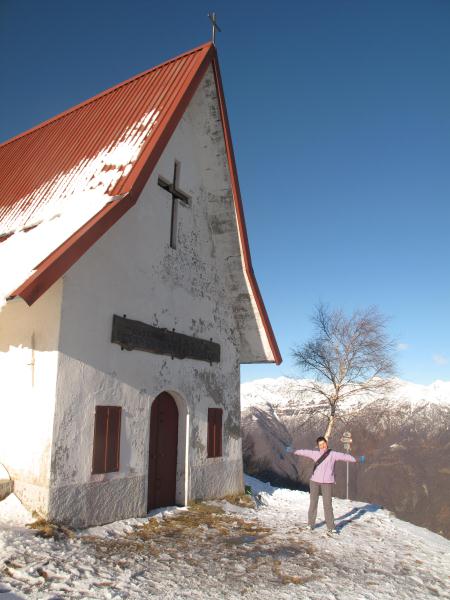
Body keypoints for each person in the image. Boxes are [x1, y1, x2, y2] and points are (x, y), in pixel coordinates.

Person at [286, 437, 365, 535]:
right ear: (318, 446)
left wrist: (357, 459)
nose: (322, 445)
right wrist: (293, 451)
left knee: (327, 505)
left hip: (327, 482)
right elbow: (304, 452)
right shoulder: (315, 454)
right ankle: (310, 524)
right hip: (314, 481)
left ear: (326, 443)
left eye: (323, 443)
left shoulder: (333, 454)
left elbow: (345, 457)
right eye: (320, 444)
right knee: (313, 503)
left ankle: (331, 527)